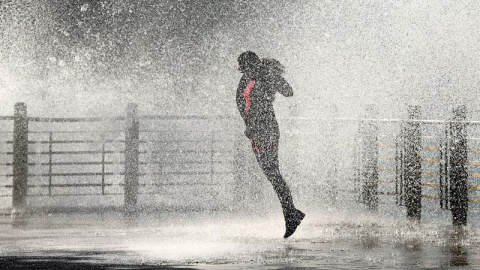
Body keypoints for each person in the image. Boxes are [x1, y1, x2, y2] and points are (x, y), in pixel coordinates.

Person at [235, 51, 305, 239]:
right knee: (271, 173)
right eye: (243, 69)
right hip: (256, 134)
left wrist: (273, 76)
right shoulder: (244, 80)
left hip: (268, 131)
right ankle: (291, 212)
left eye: (249, 68)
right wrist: (249, 126)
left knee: (273, 172)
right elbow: (243, 104)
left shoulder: (265, 76)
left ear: (256, 65)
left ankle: (291, 214)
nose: (246, 72)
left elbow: (288, 92)